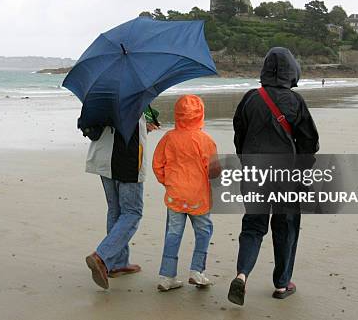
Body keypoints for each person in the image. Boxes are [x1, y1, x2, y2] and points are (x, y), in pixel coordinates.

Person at [227, 47, 319, 305]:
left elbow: (239, 137)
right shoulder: (295, 101)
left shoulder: (250, 98)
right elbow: (309, 141)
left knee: (253, 227)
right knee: (286, 226)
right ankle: (281, 284)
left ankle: (242, 276)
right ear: (292, 71)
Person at [152, 95, 221, 291]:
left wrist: (168, 183)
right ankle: (197, 271)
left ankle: (167, 276)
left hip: (175, 195)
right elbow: (214, 171)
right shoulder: (205, 140)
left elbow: (158, 165)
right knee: (204, 232)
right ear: (200, 114)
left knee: (173, 234)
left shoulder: (168, 138)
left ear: (177, 115)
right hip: (199, 197)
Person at [83, 113, 159, 290]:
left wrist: (144, 127)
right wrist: (143, 127)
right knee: (132, 213)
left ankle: (117, 263)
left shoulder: (101, 97)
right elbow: (126, 127)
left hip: (103, 159)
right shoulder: (131, 97)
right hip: (127, 160)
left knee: (115, 211)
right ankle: (102, 256)